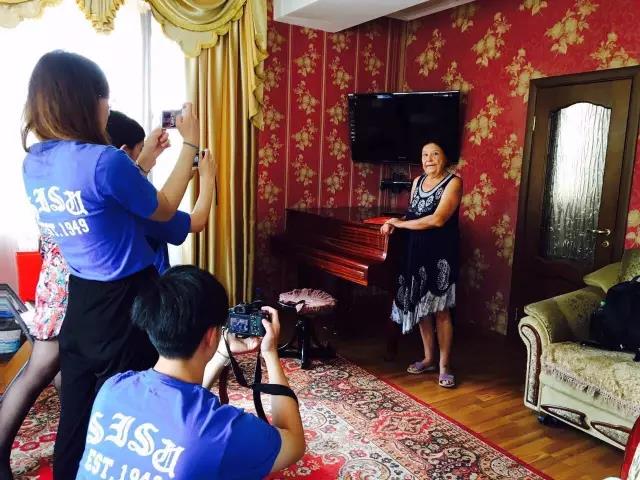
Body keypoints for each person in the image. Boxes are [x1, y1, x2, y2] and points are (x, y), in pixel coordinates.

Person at [21, 50, 200, 479]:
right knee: (126, 413)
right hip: (127, 302)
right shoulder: (105, 161)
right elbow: (163, 208)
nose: (107, 106)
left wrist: (141, 162)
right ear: (88, 102)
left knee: (76, 413)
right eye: (105, 98)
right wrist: (190, 145)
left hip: (82, 301)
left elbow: (97, 200)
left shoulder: (35, 163)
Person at [75, 266, 306, 479]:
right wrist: (270, 353)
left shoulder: (113, 388)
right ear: (211, 335)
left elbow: (181, 409)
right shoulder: (221, 431)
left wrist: (221, 354)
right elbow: (294, 444)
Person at [380, 142, 462, 388]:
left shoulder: (453, 182)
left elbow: (437, 220)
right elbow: (414, 215)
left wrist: (400, 223)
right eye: (425, 155)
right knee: (423, 307)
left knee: (441, 310)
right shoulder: (417, 182)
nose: (429, 159)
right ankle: (428, 358)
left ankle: (445, 366)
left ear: (445, 158)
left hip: (440, 254)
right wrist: (394, 223)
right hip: (414, 250)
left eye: (435, 154)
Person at [106, 110, 215, 273]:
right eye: (141, 148)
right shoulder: (139, 207)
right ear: (125, 152)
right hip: (150, 281)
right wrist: (208, 177)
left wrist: (186, 175)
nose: (145, 152)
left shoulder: (103, 189)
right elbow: (197, 221)